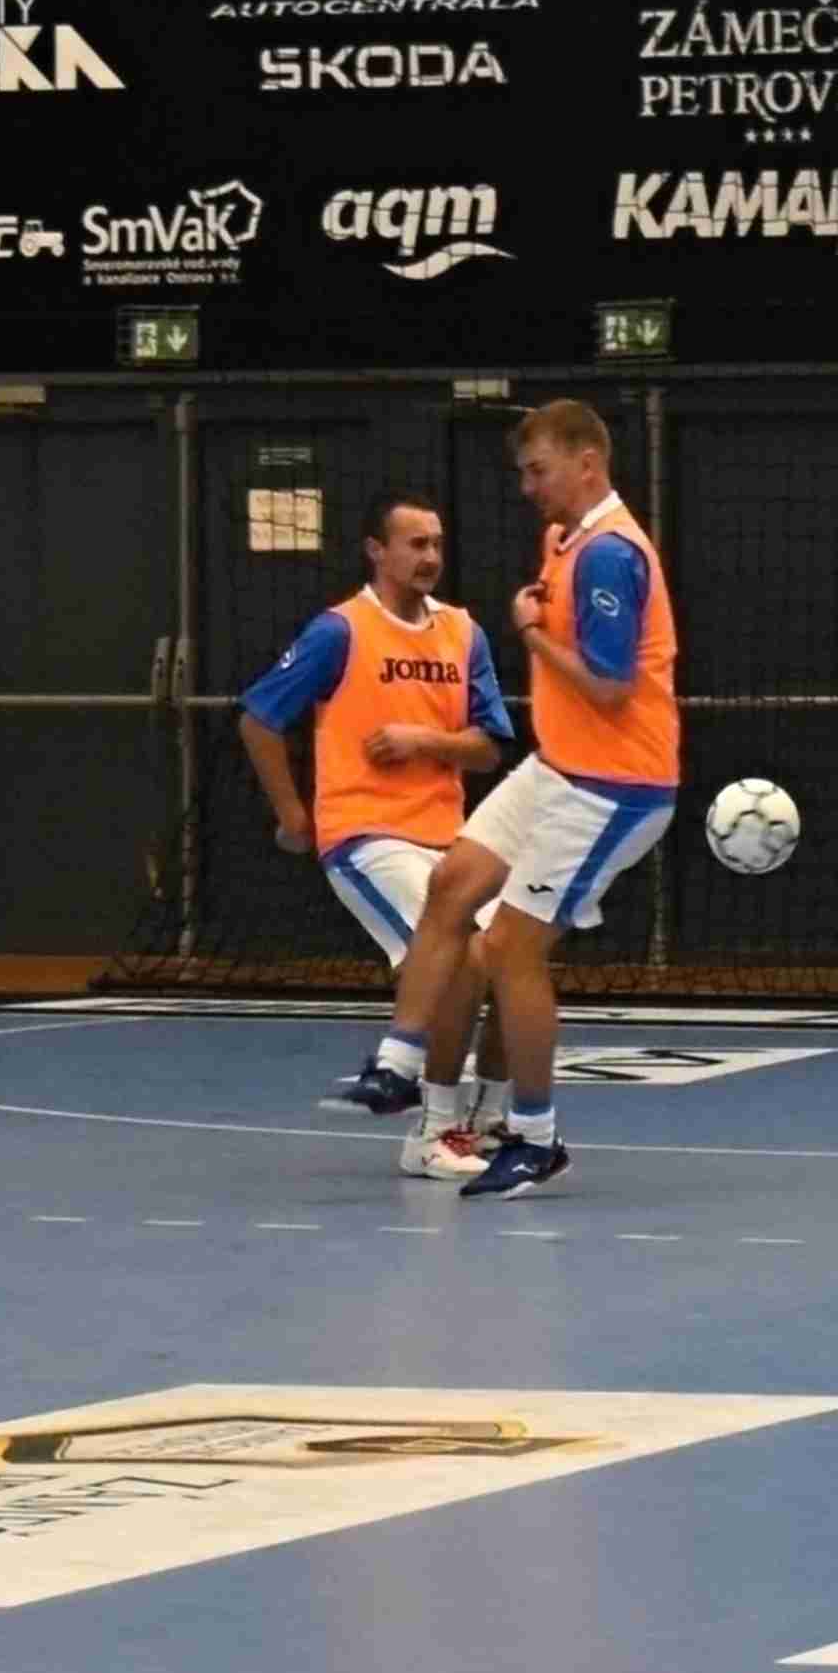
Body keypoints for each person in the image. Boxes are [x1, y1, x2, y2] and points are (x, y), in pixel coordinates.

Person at [415, 400, 676, 1203]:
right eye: (523, 472)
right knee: (452, 885)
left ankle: (534, 1138)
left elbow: (610, 688)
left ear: (587, 463)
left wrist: (528, 634)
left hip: (613, 784)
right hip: (556, 767)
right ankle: (418, 1083)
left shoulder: (609, 554)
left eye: (539, 470)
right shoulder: (562, 539)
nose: (527, 486)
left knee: (510, 950)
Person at [241, 494, 516, 1179]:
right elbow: (258, 718)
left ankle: (490, 1122)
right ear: (376, 551)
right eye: (415, 544)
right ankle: (433, 1132)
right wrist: (293, 815)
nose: (430, 557)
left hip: (451, 836)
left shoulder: (463, 633)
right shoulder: (340, 631)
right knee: (461, 961)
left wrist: (424, 740)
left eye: (436, 544)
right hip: (368, 835)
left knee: (515, 958)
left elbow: (489, 747)